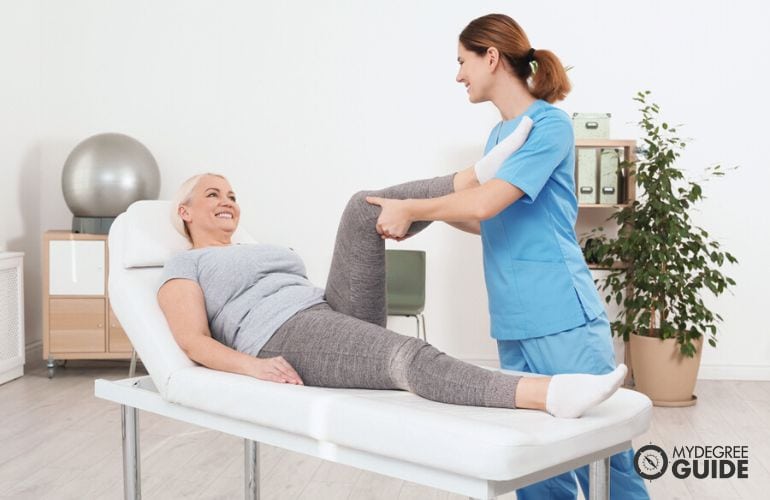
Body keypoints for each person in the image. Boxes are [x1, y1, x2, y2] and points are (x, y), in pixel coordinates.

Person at [365, 13, 649, 500]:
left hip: (561, 315)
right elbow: (485, 220)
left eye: (462, 61)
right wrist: (422, 219)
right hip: (513, 318)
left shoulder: (550, 126)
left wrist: (415, 206)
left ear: (491, 57)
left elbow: (485, 201)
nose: (459, 75)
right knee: (535, 460)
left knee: (604, 456)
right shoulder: (498, 138)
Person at [157, 172, 627, 421]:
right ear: (184, 211)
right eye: (213, 194)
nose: (228, 201)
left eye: (233, 194)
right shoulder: (185, 264)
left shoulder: (255, 248)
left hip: (324, 308)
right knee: (408, 356)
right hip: (283, 334)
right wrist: (254, 367)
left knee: (363, 208)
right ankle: (550, 394)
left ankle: (471, 176)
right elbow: (192, 340)